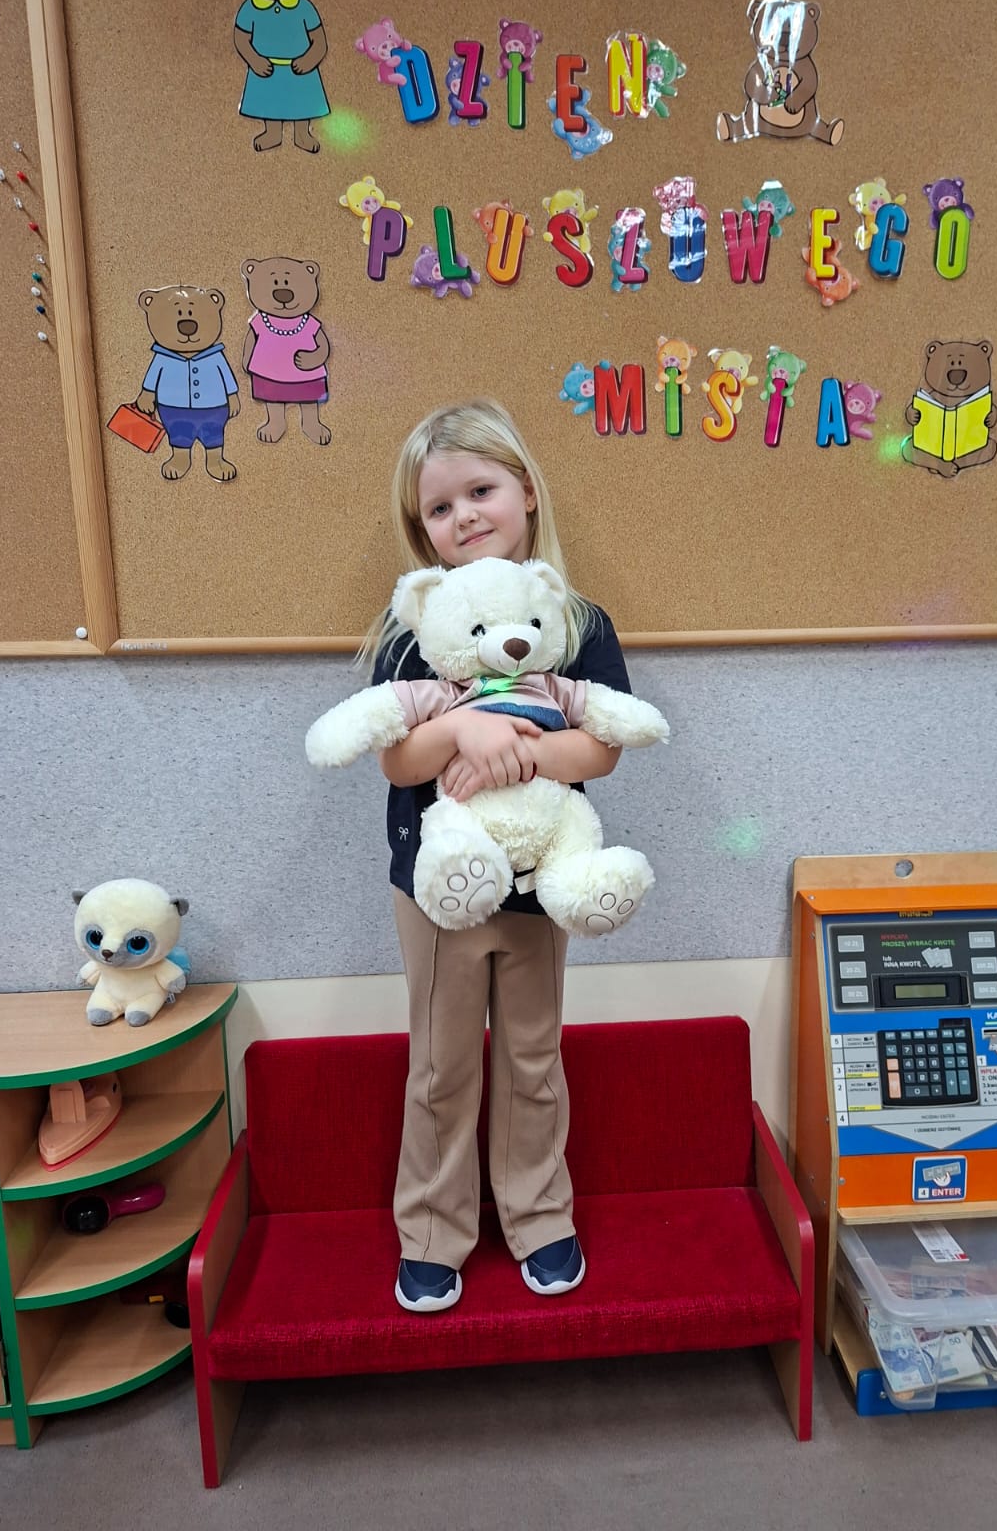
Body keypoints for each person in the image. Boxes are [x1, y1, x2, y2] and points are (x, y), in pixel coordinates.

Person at [361, 397, 635, 1313]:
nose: (464, 517)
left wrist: (511, 752)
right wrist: (465, 730)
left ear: (525, 490)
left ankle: (540, 1217)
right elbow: (398, 757)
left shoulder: (576, 621)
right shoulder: (414, 626)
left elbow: (599, 748)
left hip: (539, 882)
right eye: (439, 508)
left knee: (532, 1057)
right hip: (437, 887)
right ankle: (432, 1232)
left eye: (480, 491)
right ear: (423, 530)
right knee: (441, 1065)